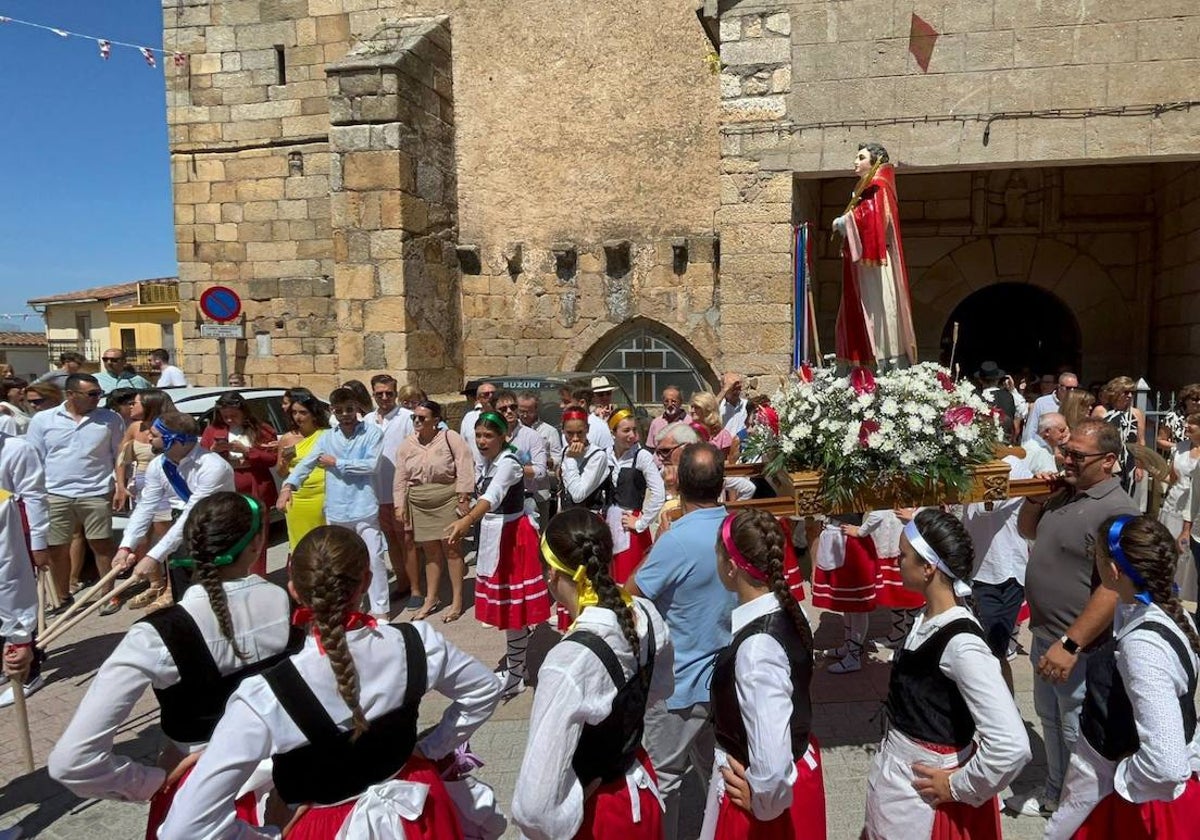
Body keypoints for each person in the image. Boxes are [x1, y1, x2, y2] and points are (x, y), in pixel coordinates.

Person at [159, 524, 503, 839]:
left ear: (294, 589)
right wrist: (429, 749)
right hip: (417, 809)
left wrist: (268, 832)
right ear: (366, 581)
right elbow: (484, 689)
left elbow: (182, 829)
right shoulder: (417, 641)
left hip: (320, 828)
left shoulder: (264, 697)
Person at [50, 493, 298, 839]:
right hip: (286, 784)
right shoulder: (288, 603)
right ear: (258, 544)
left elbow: (72, 762)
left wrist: (148, 782)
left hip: (196, 797)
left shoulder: (156, 635)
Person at [864, 510, 1031, 839]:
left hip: (920, 795)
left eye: (903, 557)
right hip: (897, 779)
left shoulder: (963, 645)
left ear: (928, 568)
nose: (896, 562)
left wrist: (957, 785)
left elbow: (1012, 746)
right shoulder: (927, 618)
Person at [512, 507, 674, 840]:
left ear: (552, 576)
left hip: (597, 818)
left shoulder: (567, 662)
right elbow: (660, 689)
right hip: (639, 790)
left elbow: (533, 807)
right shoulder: (644, 612)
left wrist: (571, 807)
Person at [1013, 418, 1141, 816]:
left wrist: (1071, 644)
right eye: (1065, 450)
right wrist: (1036, 497)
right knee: (1049, 720)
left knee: (1075, 732)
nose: (1065, 458)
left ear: (1107, 461)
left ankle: (1084, 809)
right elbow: (1027, 531)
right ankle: (1056, 793)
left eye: (1076, 455)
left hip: (1079, 649)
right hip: (1045, 636)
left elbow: (1112, 587)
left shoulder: (1117, 511)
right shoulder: (1067, 493)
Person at [1045, 515, 1200, 839]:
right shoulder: (1166, 613)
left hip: (1134, 809)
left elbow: (1167, 765)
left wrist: (1116, 778)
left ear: (1113, 572)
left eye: (1097, 557)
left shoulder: (1143, 646)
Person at [626, 442, 735, 840]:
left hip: (681, 683)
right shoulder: (737, 528)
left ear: (679, 484)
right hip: (726, 679)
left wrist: (658, 545)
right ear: (720, 483)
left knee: (663, 779)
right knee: (719, 774)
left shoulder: (677, 541)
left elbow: (631, 592)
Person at [699, 508, 826, 840]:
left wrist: (763, 803)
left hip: (764, 807)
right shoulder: (786, 609)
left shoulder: (756, 650)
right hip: (793, 778)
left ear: (730, 567)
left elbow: (770, 762)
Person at [446, 410, 551, 697]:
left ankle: (516, 671)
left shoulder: (508, 463)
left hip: (512, 539)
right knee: (508, 610)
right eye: (478, 435)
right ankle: (518, 666)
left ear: (504, 437)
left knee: (513, 610)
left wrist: (467, 521)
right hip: (497, 536)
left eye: (488, 435)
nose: (482, 441)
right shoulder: (490, 461)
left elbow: (491, 497)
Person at [279, 388, 388, 621]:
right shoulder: (327, 437)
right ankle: (347, 605)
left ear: (357, 408)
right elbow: (305, 464)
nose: (346, 414)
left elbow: (371, 466)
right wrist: (288, 486)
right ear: (332, 411)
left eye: (349, 409)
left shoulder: (372, 433)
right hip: (337, 509)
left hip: (363, 507)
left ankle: (380, 609)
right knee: (339, 562)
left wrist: (336, 463)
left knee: (374, 558)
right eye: (339, 411)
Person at [25, 373, 124, 607]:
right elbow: (34, 458)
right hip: (55, 493)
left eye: (99, 393)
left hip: (97, 491)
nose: (97, 398)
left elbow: (118, 455)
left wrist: (120, 486)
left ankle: (108, 594)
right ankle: (62, 595)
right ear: (70, 395)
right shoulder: (43, 420)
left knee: (102, 544)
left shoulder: (111, 419)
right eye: (92, 394)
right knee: (57, 547)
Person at [112, 411, 236, 597]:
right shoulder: (158, 465)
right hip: (181, 524)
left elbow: (193, 514)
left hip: (216, 528)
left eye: (154, 434)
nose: (148, 437)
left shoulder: (212, 467)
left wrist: (153, 556)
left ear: (175, 439)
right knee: (183, 591)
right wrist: (126, 546)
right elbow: (146, 506)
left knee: (215, 593)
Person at [832, 142, 918, 371]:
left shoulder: (878, 186)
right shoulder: (867, 188)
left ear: (875, 162)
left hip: (875, 263)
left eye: (861, 157)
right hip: (863, 265)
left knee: (877, 310)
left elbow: (874, 219)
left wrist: (845, 222)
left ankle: (882, 361)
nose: (855, 161)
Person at [394, 399, 474, 622]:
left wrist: (463, 496)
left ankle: (457, 600)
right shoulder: (407, 444)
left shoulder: (450, 438)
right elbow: (400, 477)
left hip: (447, 498)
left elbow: (464, 464)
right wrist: (399, 504)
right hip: (420, 501)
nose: (417, 421)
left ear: (436, 420)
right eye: (414, 417)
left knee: (452, 549)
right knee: (430, 552)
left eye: (422, 418)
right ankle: (431, 598)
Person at [963, 455, 1034, 691]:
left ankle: (1003, 716)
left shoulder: (1011, 465)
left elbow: (986, 506)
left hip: (1000, 574)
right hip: (974, 571)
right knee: (976, 653)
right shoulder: (967, 463)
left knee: (992, 654)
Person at [115, 390, 179, 611]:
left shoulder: (169, 427)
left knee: (166, 541)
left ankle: (172, 587)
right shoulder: (134, 428)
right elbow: (122, 458)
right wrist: (120, 486)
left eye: (136, 403)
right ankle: (156, 583)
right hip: (140, 488)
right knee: (141, 539)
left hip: (163, 489)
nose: (131, 406)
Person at [201, 392, 278, 576]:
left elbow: (272, 458)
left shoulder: (261, 429)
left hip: (254, 486)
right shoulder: (212, 431)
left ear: (243, 411)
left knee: (256, 534)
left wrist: (247, 451)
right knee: (229, 535)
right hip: (227, 487)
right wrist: (214, 452)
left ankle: (257, 576)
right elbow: (202, 459)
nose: (229, 420)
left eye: (234, 415)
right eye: (225, 416)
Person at [0, 429, 49, 707]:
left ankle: (30, 673)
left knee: (19, 600)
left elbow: (34, 496)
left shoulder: (17, 449)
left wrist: (39, 543)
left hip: (16, 535)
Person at [812, 512, 880, 674]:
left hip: (851, 543)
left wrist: (862, 530)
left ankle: (854, 656)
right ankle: (848, 646)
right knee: (848, 604)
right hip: (837, 539)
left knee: (857, 605)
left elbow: (879, 513)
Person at [369, 374, 416, 602]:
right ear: (373, 394)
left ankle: (416, 585)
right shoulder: (367, 420)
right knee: (391, 541)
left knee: (407, 540)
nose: (385, 397)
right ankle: (403, 583)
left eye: (389, 393)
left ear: (396, 394)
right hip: (376, 492)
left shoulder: (407, 418)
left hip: (401, 492)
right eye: (380, 393)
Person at [608, 408, 665, 584]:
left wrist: (640, 522)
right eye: (626, 430)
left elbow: (659, 493)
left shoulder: (641, 456)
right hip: (608, 525)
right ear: (613, 432)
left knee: (629, 581)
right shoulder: (605, 455)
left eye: (634, 430)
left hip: (630, 528)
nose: (632, 435)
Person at [275, 391, 329, 552]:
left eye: (303, 412)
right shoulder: (287, 438)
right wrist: (285, 461)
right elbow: (281, 472)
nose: (298, 417)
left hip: (323, 496)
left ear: (313, 414)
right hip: (297, 498)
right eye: (294, 412)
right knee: (300, 544)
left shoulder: (326, 435)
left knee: (324, 542)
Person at [1161, 413, 1200, 607]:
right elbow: (1171, 477)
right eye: (1187, 421)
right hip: (1174, 503)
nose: (1187, 425)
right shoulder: (1180, 447)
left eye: (1192, 423)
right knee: (1169, 551)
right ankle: (1167, 593)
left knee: (1187, 557)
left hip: (1193, 507)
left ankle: (1183, 597)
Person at [1092, 376, 1146, 494]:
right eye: (1126, 392)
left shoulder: (1136, 413)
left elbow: (1140, 441)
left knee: (1126, 496)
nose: (1130, 396)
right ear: (1116, 393)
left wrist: (1140, 466)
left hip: (1129, 461)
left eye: (1132, 392)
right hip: (1107, 460)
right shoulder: (1101, 411)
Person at [518, 390, 563, 528]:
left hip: (540, 491)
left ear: (537, 409)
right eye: (521, 411)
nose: (525, 415)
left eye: (529, 411)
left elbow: (559, 457)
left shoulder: (549, 431)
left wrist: (549, 461)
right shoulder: (513, 430)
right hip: (518, 490)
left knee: (540, 529)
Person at [1025, 372, 1080, 443]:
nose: (1072, 391)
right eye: (1068, 388)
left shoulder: (1078, 404)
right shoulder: (1042, 403)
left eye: (1075, 388)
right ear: (1059, 387)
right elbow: (1031, 429)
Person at [690, 391, 739, 463]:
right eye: (692, 407)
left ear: (707, 409)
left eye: (697, 407)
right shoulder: (689, 433)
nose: (692, 411)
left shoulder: (722, 435)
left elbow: (728, 462)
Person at [460, 380, 497, 465]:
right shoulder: (469, 418)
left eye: (493, 394)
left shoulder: (504, 416)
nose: (491, 397)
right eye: (486, 394)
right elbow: (463, 445)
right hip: (476, 470)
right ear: (478, 398)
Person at [1157, 384, 1200, 452]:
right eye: (1195, 399)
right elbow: (1160, 441)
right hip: (1178, 458)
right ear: (1185, 400)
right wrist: (1180, 447)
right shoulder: (1173, 417)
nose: (1199, 403)